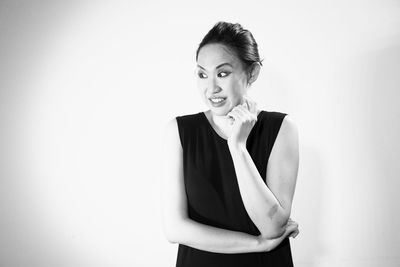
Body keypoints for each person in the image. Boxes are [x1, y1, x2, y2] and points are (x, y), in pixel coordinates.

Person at [161, 21, 300, 267]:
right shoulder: (180, 131)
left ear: (252, 73)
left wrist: (238, 147)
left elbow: (271, 227)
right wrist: (256, 244)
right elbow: (175, 229)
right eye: (203, 74)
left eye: (222, 73)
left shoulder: (281, 128)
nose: (211, 87)